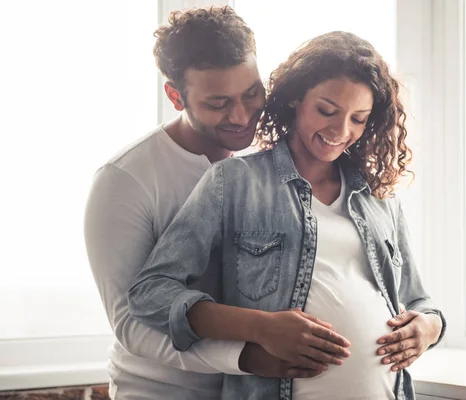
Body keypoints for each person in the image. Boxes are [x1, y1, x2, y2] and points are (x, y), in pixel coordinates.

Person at [128, 31, 446, 400]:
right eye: (326, 111)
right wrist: (261, 328)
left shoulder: (378, 198)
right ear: (296, 97)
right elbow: (150, 294)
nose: (340, 131)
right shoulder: (234, 182)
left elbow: (419, 301)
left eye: (358, 119)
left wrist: (429, 327)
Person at [84, 7, 345, 400]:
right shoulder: (124, 180)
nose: (241, 116)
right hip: (159, 392)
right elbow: (131, 324)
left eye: (251, 93)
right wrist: (249, 355)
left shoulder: (269, 164)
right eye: (218, 102)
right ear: (175, 96)